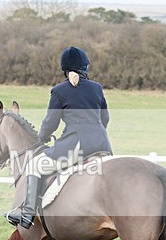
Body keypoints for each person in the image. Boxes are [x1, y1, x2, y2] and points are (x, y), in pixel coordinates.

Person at [6, 45, 112, 229]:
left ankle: (27, 213)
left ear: (65, 69)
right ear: (85, 67)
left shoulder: (59, 91)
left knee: (34, 164)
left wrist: (43, 137)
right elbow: (105, 118)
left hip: (77, 144)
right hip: (102, 144)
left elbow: (50, 122)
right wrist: (95, 133)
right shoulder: (97, 88)